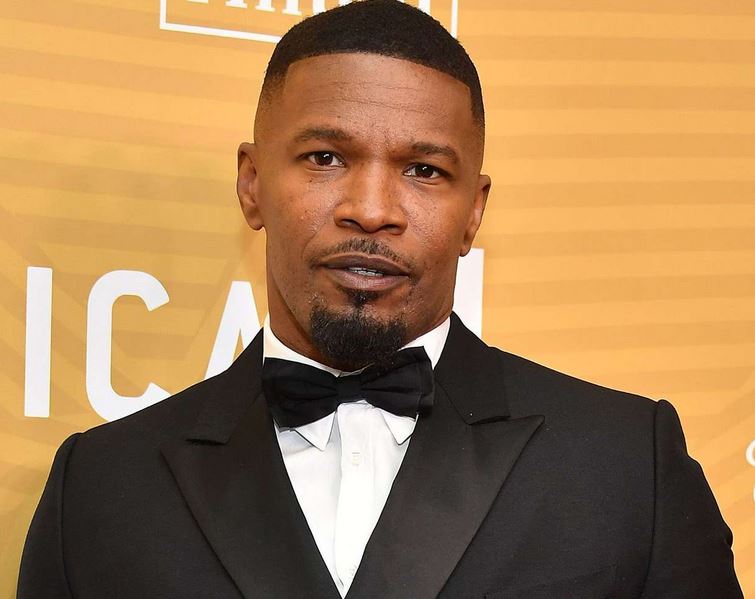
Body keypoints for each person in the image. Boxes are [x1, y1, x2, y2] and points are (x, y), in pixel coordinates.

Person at [18, 1, 742, 597]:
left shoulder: (626, 466)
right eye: (325, 157)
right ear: (251, 183)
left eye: (423, 170)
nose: (371, 210)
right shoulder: (101, 488)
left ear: (474, 211)